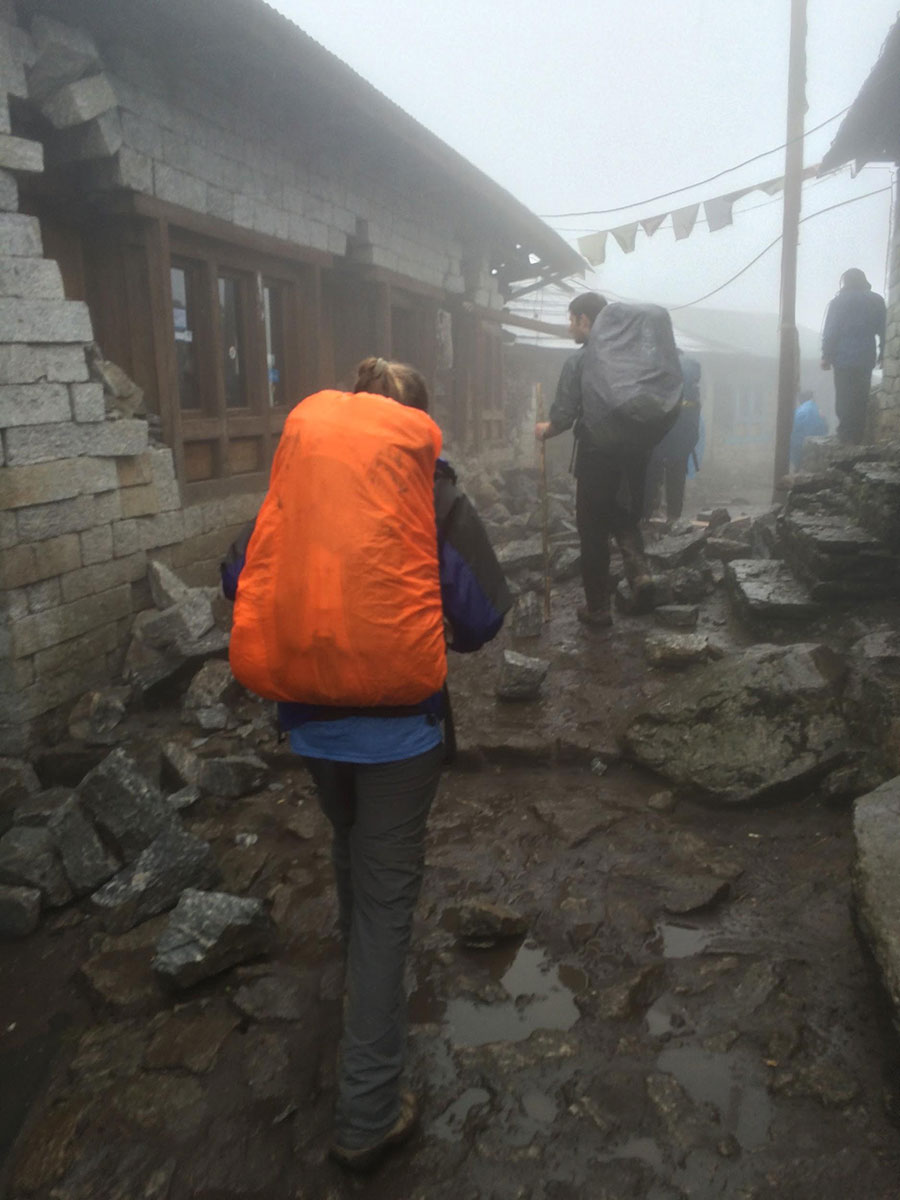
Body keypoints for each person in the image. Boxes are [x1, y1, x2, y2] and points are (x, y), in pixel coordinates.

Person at [227, 357, 510, 1172]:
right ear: (419, 424)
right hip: (401, 734)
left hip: (311, 727)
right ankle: (369, 1112)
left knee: (348, 848)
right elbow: (484, 614)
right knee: (390, 901)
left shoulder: (298, 483)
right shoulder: (435, 491)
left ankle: (358, 991)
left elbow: (236, 576)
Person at [535, 292, 658, 628]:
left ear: (585, 321)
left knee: (592, 530)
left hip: (597, 457)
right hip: (634, 457)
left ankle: (598, 609)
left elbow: (564, 412)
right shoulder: (631, 358)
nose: (569, 326)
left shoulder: (580, 361)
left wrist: (546, 429)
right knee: (623, 517)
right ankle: (640, 575)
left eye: (572, 319)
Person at [821, 268, 886, 444]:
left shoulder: (838, 302)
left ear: (845, 282)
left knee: (844, 395)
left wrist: (826, 355)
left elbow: (831, 331)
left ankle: (845, 433)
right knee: (861, 395)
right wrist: (883, 353)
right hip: (865, 356)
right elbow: (883, 329)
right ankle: (857, 434)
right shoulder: (877, 301)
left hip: (842, 358)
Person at [644, 349, 702, 523]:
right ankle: (673, 517)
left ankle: (646, 515)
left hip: (659, 434)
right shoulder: (691, 380)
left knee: (652, 475)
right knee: (676, 477)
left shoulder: (657, 368)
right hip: (683, 435)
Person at [789, 389, 828, 472]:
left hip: (800, 448)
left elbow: (794, 432)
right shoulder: (817, 410)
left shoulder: (799, 411)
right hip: (818, 448)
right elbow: (825, 427)